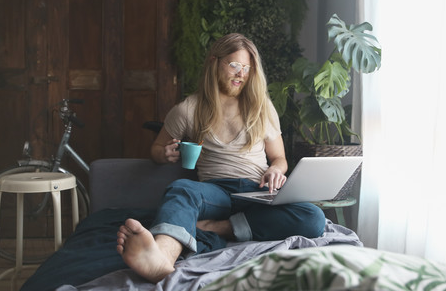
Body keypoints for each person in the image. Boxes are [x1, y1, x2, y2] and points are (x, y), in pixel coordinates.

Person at [116, 33, 326, 283]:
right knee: (181, 189)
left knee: (313, 217)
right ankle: (160, 258)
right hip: (214, 191)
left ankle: (215, 228)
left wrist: (276, 170)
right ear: (215, 62)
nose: (241, 74)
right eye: (234, 65)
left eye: (247, 68)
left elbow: (279, 157)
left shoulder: (262, 107)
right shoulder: (188, 109)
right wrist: (164, 153)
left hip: (255, 189)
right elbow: (157, 148)